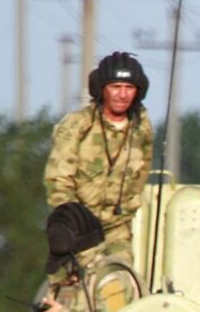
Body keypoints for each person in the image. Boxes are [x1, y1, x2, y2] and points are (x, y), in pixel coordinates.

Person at [44, 51, 154, 273]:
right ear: (101, 89)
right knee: (80, 289)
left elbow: (141, 174)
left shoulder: (141, 129)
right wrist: (73, 221)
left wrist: (130, 207)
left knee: (120, 282)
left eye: (129, 88)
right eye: (115, 87)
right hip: (79, 229)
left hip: (117, 228)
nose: (122, 95)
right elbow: (57, 180)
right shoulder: (78, 125)